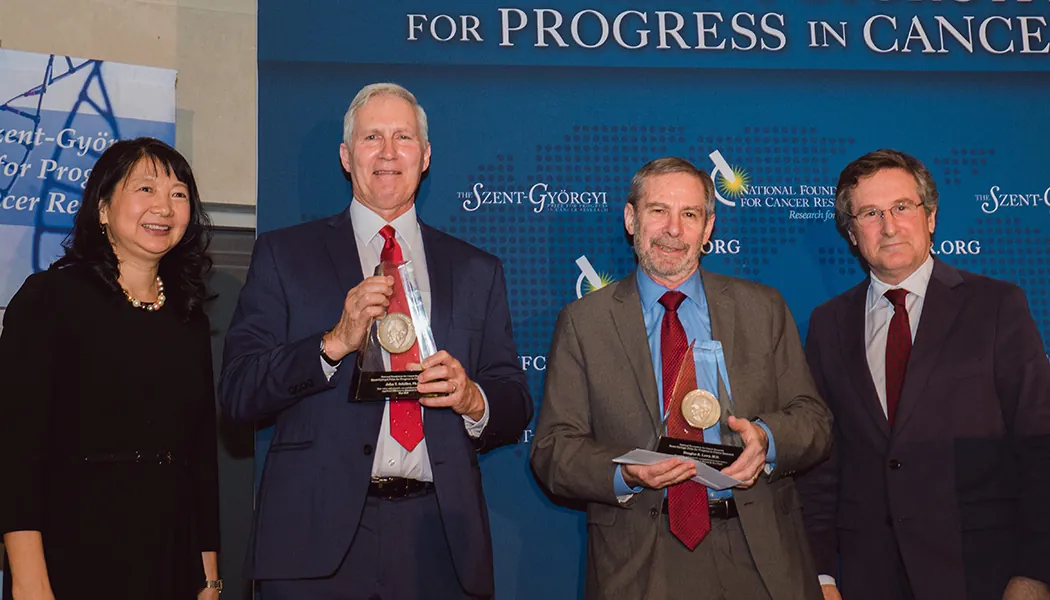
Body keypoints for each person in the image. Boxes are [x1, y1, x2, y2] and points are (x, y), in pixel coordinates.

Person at [219, 83, 532, 599]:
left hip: (440, 542)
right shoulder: (284, 255)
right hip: (312, 544)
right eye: (371, 138)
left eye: (403, 137)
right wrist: (332, 344)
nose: (388, 152)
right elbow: (238, 391)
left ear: (425, 157)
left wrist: (472, 398)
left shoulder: (477, 270)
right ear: (346, 157)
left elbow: (515, 400)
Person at [531, 157, 833, 600]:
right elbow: (553, 450)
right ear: (631, 219)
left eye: (689, 214)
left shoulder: (763, 308)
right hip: (641, 559)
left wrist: (766, 440)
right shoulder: (584, 322)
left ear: (708, 227)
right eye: (658, 211)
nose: (673, 229)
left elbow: (814, 421)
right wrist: (626, 471)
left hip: (760, 552)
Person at [797, 149, 1050, 600]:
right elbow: (821, 464)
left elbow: (1040, 445)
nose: (889, 226)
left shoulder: (996, 306)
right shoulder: (828, 324)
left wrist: (1035, 572)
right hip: (869, 578)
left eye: (901, 207)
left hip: (983, 575)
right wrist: (822, 576)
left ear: (930, 217)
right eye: (870, 213)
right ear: (852, 233)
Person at [0, 138, 222, 599]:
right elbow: (15, 448)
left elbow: (199, 458)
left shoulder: (189, 317)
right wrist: (28, 578)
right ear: (102, 208)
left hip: (170, 558)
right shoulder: (49, 298)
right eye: (145, 189)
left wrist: (210, 578)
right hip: (73, 550)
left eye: (178, 194)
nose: (164, 207)